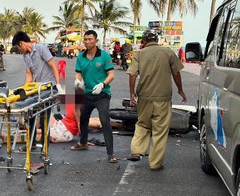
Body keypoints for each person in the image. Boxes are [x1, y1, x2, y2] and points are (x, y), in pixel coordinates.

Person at [126, 30, 187, 171]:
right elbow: (176, 73)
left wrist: (131, 95)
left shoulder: (139, 54)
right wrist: (180, 89)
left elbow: (132, 75)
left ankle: (137, 150)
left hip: (144, 97)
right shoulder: (168, 52)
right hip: (163, 98)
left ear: (144, 41)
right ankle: (155, 164)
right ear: (157, 39)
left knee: (142, 124)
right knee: (160, 131)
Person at [71, 30, 117, 163]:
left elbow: (111, 75)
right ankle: (83, 142)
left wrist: (102, 84)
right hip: (87, 93)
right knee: (83, 117)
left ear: (96, 41)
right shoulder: (81, 57)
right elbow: (79, 73)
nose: (87, 41)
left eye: (90, 39)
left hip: (102, 94)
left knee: (104, 119)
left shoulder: (104, 56)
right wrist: (78, 82)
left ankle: (111, 154)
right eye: (85, 39)